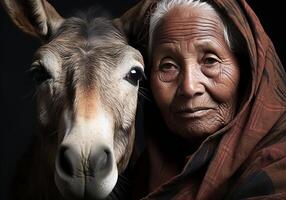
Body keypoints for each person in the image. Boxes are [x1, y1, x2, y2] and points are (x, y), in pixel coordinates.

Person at [115, 0, 286, 199]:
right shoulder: (143, 174)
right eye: (168, 66)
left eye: (210, 61)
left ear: (247, 71)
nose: (189, 87)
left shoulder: (277, 166)